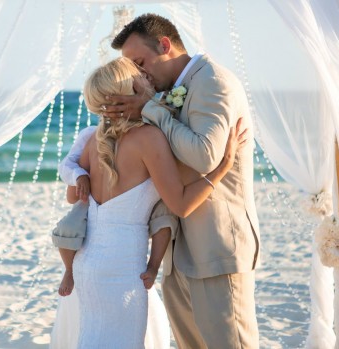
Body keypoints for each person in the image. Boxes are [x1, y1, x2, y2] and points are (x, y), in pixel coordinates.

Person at [51, 56, 248, 348]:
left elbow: (73, 196)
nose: (148, 80)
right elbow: (180, 204)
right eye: (140, 77)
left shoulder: (93, 140)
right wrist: (223, 165)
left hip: (86, 265)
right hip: (122, 269)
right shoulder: (150, 139)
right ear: (130, 88)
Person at [90, 14, 261, 348]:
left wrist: (151, 108)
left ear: (165, 46)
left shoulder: (213, 81)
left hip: (216, 249)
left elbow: (204, 156)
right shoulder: (168, 92)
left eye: (140, 63)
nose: (139, 75)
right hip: (177, 253)